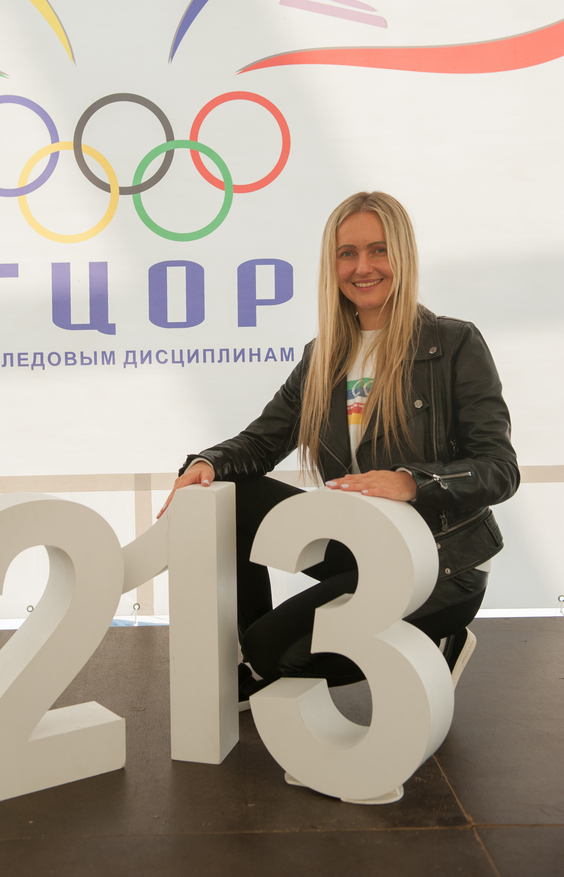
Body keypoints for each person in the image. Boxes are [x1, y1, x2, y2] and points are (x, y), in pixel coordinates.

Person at [159, 191, 519, 711]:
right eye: (347, 253)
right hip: (360, 547)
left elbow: (499, 469)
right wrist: (205, 463)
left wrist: (412, 481)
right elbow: (262, 441)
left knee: (273, 652)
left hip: (440, 562)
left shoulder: (453, 343)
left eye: (378, 250)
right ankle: (255, 653)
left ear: (403, 255)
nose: (362, 267)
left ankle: (432, 638)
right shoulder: (323, 356)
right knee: (223, 483)